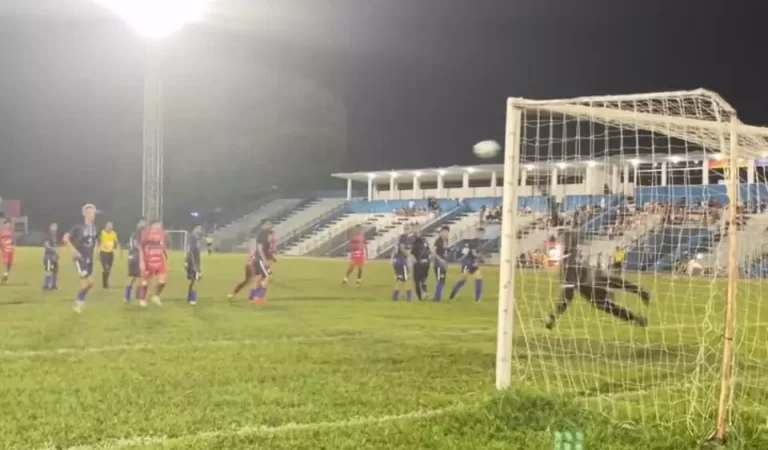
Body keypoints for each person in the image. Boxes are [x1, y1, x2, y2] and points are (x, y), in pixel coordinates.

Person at [544, 206, 651, 330]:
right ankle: (637, 305)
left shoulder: (567, 264)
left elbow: (568, 296)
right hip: (593, 282)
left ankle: (637, 310)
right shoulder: (574, 254)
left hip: (590, 286)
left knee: (608, 298)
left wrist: (555, 316)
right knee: (611, 286)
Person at [63, 204, 99, 312]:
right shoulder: (78, 227)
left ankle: (80, 301)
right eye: (91, 212)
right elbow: (65, 238)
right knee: (88, 282)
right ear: (86, 214)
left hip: (89, 259)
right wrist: (73, 250)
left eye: (94, 212)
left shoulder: (94, 228)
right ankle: (80, 301)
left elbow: (94, 241)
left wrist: (96, 251)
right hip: (80, 258)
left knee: (88, 283)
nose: (93, 214)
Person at [449, 227, 485, 302]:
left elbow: (476, 254)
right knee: (463, 280)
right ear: (476, 233)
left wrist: (478, 260)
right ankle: (454, 291)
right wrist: (477, 258)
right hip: (468, 263)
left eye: (482, 233)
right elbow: (471, 253)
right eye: (479, 233)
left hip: (472, 264)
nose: (480, 235)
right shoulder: (473, 242)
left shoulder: (480, 243)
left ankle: (478, 298)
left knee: (478, 278)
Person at [138, 219, 168, 307]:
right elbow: (141, 248)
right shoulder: (146, 234)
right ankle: (143, 299)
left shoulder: (162, 234)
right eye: (158, 225)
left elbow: (163, 246)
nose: (159, 227)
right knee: (145, 283)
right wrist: (141, 261)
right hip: (148, 261)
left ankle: (156, 296)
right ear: (152, 225)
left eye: (160, 225)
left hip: (159, 261)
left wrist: (165, 255)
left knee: (162, 282)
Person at [247, 220, 274, 305]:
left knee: (258, 277)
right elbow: (260, 248)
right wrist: (264, 260)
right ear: (263, 225)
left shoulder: (263, 234)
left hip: (258, 259)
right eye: (268, 224)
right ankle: (258, 297)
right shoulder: (263, 234)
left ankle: (252, 296)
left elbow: (265, 248)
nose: (270, 225)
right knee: (268, 277)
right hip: (260, 260)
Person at [124, 218, 147, 303]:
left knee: (138, 277)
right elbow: (138, 246)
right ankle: (129, 296)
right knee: (133, 277)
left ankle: (135, 296)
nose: (144, 224)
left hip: (136, 257)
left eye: (145, 222)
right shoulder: (137, 234)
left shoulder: (141, 233)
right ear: (138, 224)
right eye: (142, 222)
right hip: (135, 257)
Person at [391, 224, 413, 302]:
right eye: (408, 229)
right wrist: (410, 256)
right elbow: (402, 248)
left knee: (399, 279)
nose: (409, 230)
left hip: (397, 261)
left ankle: (395, 297)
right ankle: (409, 297)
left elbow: (396, 249)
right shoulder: (404, 237)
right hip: (402, 261)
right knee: (407, 279)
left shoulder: (400, 237)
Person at [411, 225, 431, 300]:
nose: (414, 231)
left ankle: (420, 297)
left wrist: (416, 259)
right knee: (423, 279)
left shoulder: (417, 241)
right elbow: (428, 251)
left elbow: (418, 252)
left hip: (420, 262)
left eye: (416, 230)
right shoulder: (424, 240)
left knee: (417, 280)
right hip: (426, 262)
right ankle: (425, 293)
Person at [98, 221, 120, 288]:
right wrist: (97, 251)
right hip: (103, 253)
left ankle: (105, 281)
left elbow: (116, 242)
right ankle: (105, 283)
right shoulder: (102, 233)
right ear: (106, 226)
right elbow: (98, 242)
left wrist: (118, 250)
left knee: (108, 269)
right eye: (109, 226)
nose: (110, 228)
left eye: (111, 226)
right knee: (106, 268)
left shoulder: (113, 233)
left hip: (110, 253)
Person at [185, 225, 203, 305]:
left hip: (195, 263)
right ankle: (192, 299)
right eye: (198, 228)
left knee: (194, 280)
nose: (200, 230)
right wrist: (194, 266)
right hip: (193, 264)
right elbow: (191, 253)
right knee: (195, 280)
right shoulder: (194, 239)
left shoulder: (196, 240)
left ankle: (190, 297)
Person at [432, 226, 450, 302]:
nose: (445, 233)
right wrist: (441, 260)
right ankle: (437, 298)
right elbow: (433, 252)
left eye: (447, 232)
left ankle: (437, 296)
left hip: (443, 264)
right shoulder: (438, 241)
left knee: (442, 280)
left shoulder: (446, 241)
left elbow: (445, 253)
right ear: (441, 232)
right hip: (438, 264)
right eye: (444, 232)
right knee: (440, 280)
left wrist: (445, 262)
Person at [43, 223, 59, 290]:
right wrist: (54, 250)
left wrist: (57, 254)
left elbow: (55, 246)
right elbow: (46, 245)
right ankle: (46, 285)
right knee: (49, 270)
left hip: (54, 257)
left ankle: (54, 285)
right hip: (49, 256)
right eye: (54, 226)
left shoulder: (55, 236)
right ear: (50, 227)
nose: (55, 228)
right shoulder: (48, 235)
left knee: (55, 271)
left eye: (56, 227)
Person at [0, 215, 14, 284]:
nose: (8, 225)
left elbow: (12, 240)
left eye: (9, 224)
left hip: (11, 249)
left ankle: (6, 273)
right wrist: (2, 248)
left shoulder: (11, 231)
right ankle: (5, 273)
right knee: (6, 262)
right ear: (4, 225)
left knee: (10, 263)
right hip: (5, 249)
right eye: (7, 224)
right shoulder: (2, 232)